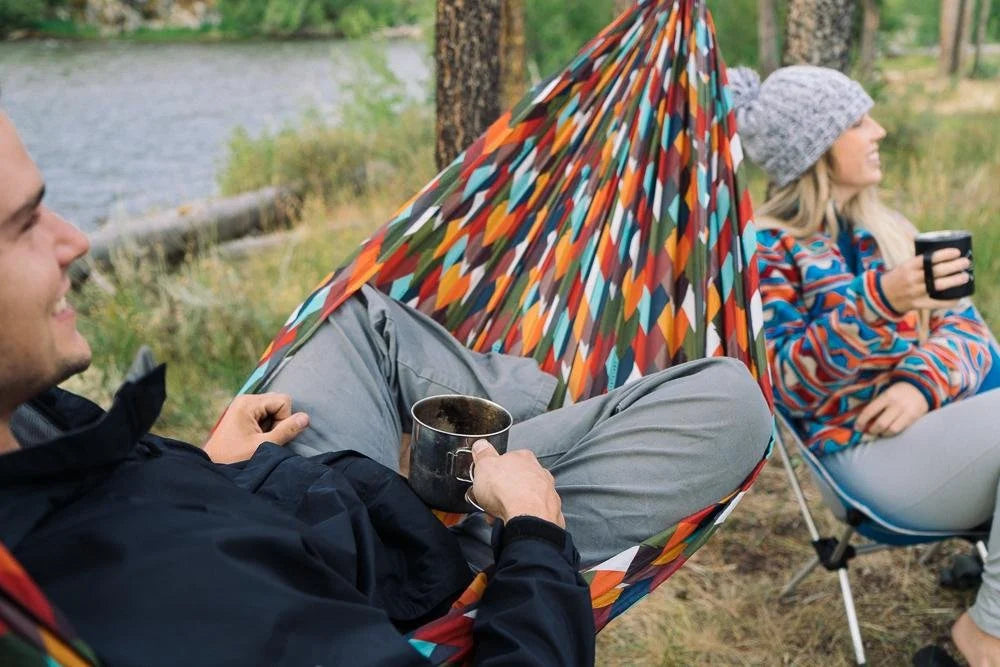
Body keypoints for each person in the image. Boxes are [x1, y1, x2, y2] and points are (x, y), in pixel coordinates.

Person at [0, 107, 771, 667]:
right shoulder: (149, 604)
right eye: (25, 224)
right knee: (731, 398)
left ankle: (512, 410)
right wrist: (533, 535)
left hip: (287, 484)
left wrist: (213, 469)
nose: (75, 239)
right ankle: (521, 432)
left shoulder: (28, 424)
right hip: (418, 570)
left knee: (357, 315)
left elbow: (125, 505)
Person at [729, 64, 1000, 665]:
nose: (877, 131)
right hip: (863, 457)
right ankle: (979, 641)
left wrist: (920, 385)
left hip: (934, 430)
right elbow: (785, 384)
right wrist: (882, 303)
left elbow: (974, 336)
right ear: (817, 148)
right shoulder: (768, 251)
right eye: (857, 122)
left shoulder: (891, 229)